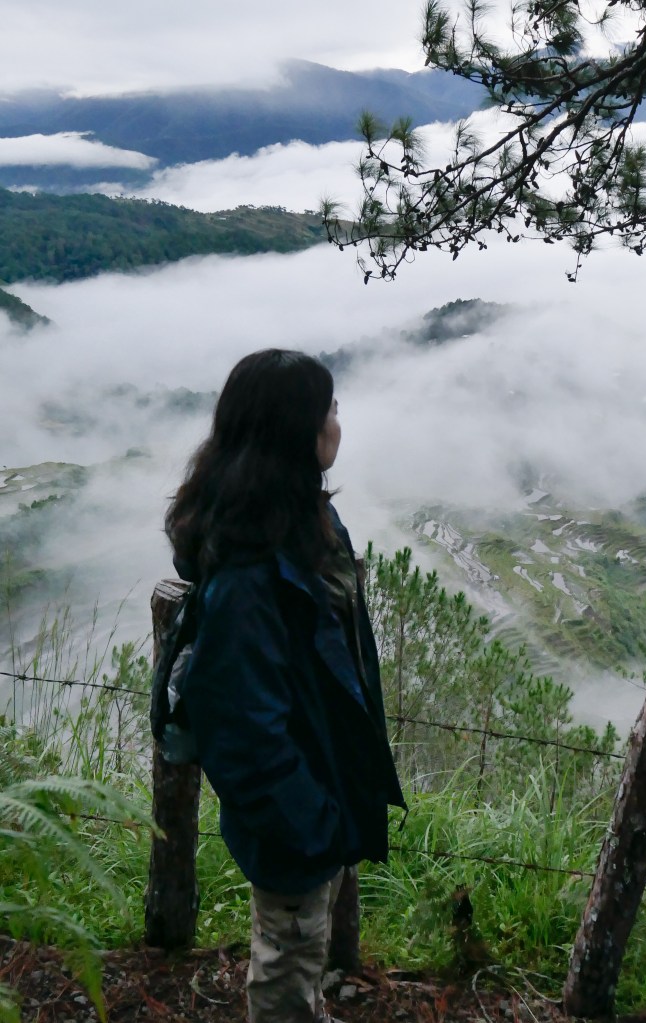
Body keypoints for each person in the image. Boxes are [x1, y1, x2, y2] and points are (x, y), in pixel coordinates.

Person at [164, 349, 405, 1023]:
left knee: (298, 947)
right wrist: (310, 821)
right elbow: (240, 724)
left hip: (313, 791)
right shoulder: (252, 572)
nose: (338, 419)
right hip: (296, 811)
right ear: (296, 428)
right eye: (328, 407)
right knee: (287, 953)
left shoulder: (299, 525)